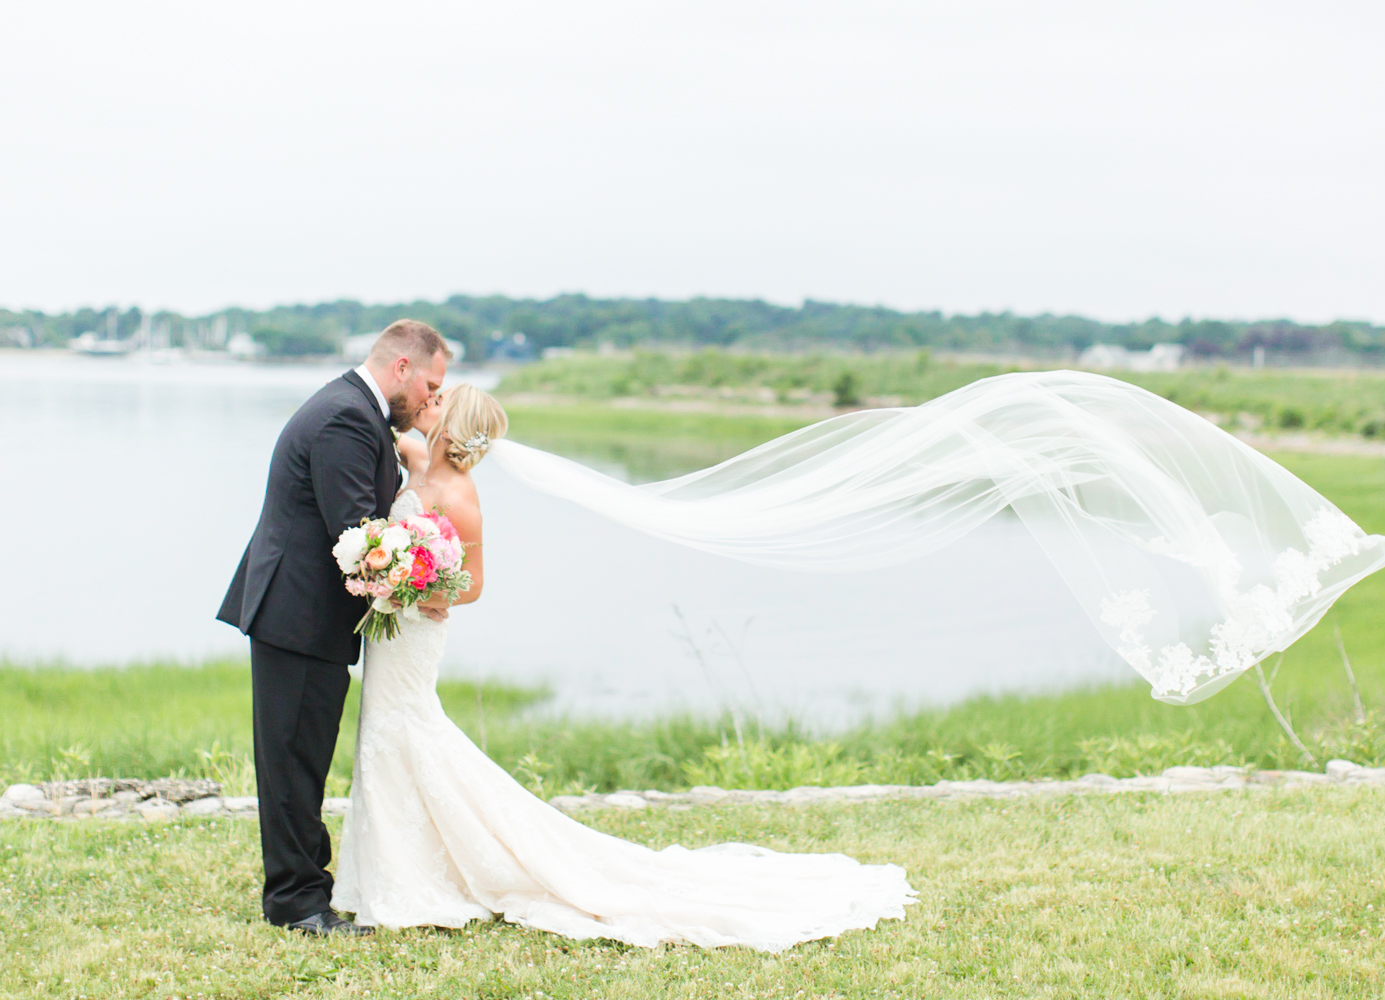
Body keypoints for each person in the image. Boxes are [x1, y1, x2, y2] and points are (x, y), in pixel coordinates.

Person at [330, 383, 917, 949]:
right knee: (389, 733)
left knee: (403, 730)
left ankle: (415, 880)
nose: (429, 402)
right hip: (394, 627)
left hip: (414, 628)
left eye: (440, 400)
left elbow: (475, 587)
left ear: (453, 423)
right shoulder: (419, 463)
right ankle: (400, 869)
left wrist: (407, 586)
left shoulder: (458, 495)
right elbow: (389, 435)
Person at [217, 319, 451, 936]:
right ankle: (297, 904)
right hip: (297, 615)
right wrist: (424, 572)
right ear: (402, 366)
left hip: (305, 615)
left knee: (303, 758)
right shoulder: (345, 417)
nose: (431, 397)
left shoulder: (359, 414)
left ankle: (304, 891)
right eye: (430, 382)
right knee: (294, 761)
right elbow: (358, 534)